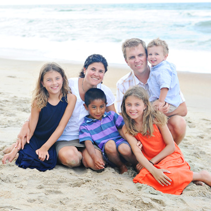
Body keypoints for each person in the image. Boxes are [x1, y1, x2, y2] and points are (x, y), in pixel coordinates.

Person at [10, 54, 116, 168]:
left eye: (100, 71)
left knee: (95, 165)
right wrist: (27, 123)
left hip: (89, 139)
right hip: (65, 137)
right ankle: (67, 154)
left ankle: (84, 155)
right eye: (93, 69)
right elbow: (45, 104)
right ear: (85, 69)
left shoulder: (105, 92)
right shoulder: (69, 84)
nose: (96, 74)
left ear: (104, 74)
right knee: (73, 160)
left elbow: (114, 117)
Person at [121, 86, 211, 195]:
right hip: (149, 160)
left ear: (145, 105)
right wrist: (153, 170)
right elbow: (137, 153)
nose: (132, 108)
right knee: (144, 177)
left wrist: (152, 163)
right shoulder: (127, 128)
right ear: (124, 106)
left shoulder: (156, 118)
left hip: (167, 156)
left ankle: (201, 175)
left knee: (167, 175)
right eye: (129, 104)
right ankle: (188, 178)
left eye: (137, 104)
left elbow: (171, 146)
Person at [2, 63, 76, 171]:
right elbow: (31, 131)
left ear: (63, 79)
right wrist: (14, 153)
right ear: (42, 83)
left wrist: (45, 147)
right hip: (35, 138)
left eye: (57, 78)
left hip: (49, 140)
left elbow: (61, 127)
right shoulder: (38, 101)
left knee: (47, 162)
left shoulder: (71, 99)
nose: (54, 83)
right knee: (26, 160)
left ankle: (13, 147)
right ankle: (12, 149)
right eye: (49, 80)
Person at [116, 38, 187, 145]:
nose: (137, 60)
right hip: (139, 127)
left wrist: (162, 112)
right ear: (126, 61)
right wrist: (150, 113)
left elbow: (183, 110)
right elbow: (122, 116)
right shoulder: (122, 84)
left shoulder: (163, 74)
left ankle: (169, 153)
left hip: (162, 125)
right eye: (132, 57)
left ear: (147, 56)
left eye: (140, 55)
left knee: (179, 123)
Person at [79, 88, 137, 174]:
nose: (98, 111)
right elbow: (88, 143)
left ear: (106, 105)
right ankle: (121, 166)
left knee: (124, 148)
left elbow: (126, 128)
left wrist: (135, 141)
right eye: (94, 107)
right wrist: (94, 157)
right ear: (86, 107)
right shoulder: (85, 126)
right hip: (109, 153)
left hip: (122, 145)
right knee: (110, 145)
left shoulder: (111, 116)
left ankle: (137, 164)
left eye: (101, 107)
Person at [147, 38, 182, 113]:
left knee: (148, 113)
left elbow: (165, 87)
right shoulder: (157, 67)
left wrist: (160, 101)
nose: (153, 56)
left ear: (165, 56)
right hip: (165, 100)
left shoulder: (162, 70)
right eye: (150, 54)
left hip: (166, 103)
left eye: (156, 54)